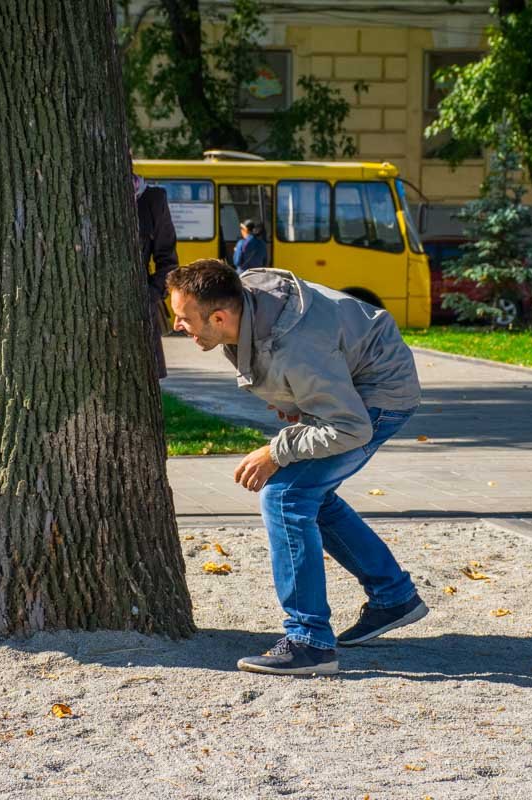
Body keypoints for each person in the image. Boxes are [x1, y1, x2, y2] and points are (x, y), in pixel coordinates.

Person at [167, 260, 426, 676]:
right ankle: (393, 596)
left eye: (183, 318)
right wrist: (297, 400)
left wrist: (277, 450)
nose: (177, 326)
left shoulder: (295, 347)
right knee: (310, 495)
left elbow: (349, 426)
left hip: (378, 398)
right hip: (352, 386)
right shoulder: (245, 299)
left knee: (286, 495)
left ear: (219, 316)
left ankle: (310, 641)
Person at [134, 165, 180, 378]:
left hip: (138, 309)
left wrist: (149, 295)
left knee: (141, 380)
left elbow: (168, 261)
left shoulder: (152, 199)